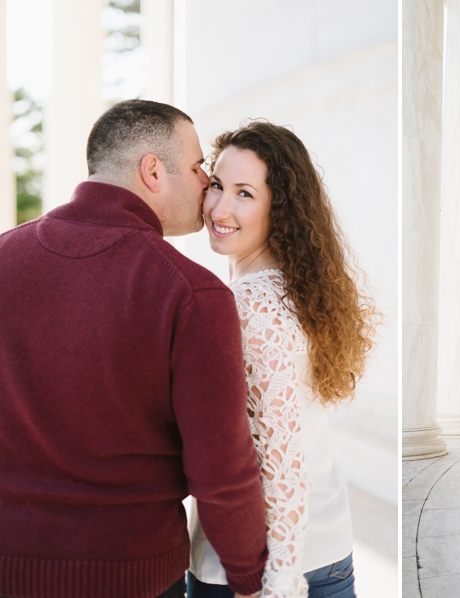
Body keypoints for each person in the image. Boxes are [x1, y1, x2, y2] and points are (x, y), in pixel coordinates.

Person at [0, 100, 268, 598]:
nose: (206, 183)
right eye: (195, 167)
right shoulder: (191, 291)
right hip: (132, 575)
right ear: (152, 171)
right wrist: (248, 575)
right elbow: (220, 467)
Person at [186, 120, 377, 598]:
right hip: (328, 548)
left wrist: (277, 582)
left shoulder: (249, 305)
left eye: (245, 193)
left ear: (281, 207)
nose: (220, 208)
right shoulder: (299, 290)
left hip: (259, 570)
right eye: (217, 186)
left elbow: (281, 460)